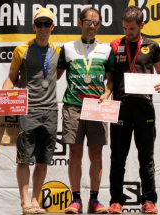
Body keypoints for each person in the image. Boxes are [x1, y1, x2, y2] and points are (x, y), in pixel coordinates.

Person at [0, 8, 62, 215]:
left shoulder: (58, 51)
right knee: (23, 158)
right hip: (27, 111)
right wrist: (1, 93)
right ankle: (25, 203)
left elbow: (55, 76)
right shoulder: (21, 50)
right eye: (39, 24)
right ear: (33, 26)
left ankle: (36, 200)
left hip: (51, 112)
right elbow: (12, 79)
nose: (43, 28)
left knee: (43, 160)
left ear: (52, 27)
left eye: (47, 24)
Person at [108, 6, 160, 214]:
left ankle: (149, 201)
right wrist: (106, 94)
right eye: (125, 28)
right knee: (118, 157)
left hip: (144, 107)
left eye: (131, 29)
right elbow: (110, 78)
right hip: (121, 106)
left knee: (146, 158)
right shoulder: (115, 45)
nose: (128, 32)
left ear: (141, 25)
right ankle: (116, 200)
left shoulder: (152, 45)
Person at [57, 7, 114, 214]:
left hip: (97, 107)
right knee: (75, 153)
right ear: (79, 22)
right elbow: (54, 75)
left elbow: (111, 80)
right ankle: (76, 200)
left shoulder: (106, 49)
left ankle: (94, 200)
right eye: (89, 22)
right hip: (73, 105)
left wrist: (107, 94)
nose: (93, 26)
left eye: (97, 22)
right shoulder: (67, 48)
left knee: (96, 154)